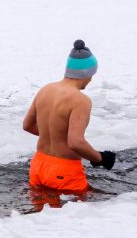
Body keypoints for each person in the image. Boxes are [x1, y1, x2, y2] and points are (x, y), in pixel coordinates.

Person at [22, 40, 116, 192]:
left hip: (38, 165)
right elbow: (75, 142)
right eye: (92, 75)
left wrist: (55, 136)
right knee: (78, 214)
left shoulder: (45, 90)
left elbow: (27, 125)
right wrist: (100, 158)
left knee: (40, 213)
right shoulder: (81, 100)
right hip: (65, 171)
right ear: (86, 73)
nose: (91, 79)